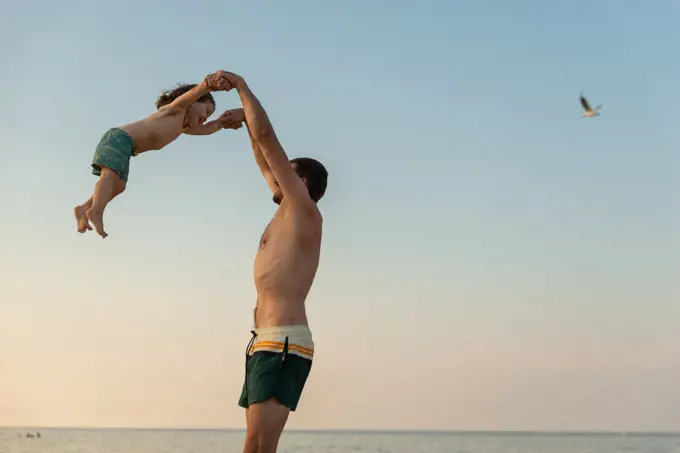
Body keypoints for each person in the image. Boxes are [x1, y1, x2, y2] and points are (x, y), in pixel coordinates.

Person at [216, 71, 328, 453]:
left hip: (283, 342)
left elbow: (268, 141)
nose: (275, 178)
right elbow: (262, 154)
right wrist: (246, 122)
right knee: (254, 443)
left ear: (304, 184)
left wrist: (242, 87)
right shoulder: (284, 211)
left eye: (286, 174)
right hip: (262, 341)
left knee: (260, 444)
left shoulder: (304, 211)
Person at [73, 71, 244, 238]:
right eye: (205, 112)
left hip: (127, 148)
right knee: (110, 174)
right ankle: (96, 211)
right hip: (119, 138)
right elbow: (193, 92)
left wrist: (221, 123)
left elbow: (207, 129)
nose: (205, 119)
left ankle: (84, 208)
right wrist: (208, 85)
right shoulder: (175, 110)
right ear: (193, 103)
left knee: (119, 186)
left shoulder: (183, 128)